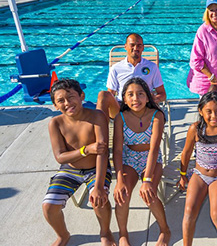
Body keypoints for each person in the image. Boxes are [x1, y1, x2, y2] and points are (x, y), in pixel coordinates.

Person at [42, 79, 115, 246]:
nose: (67, 103)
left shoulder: (97, 116)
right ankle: (63, 235)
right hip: (70, 169)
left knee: (99, 199)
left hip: (96, 168)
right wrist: (86, 150)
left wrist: (98, 187)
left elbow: (102, 153)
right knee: (49, 206)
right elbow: (60, 157)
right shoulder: (55, 123)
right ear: (54, 105)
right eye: (60, 100)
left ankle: (105, 231)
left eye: (71, 97)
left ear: (82, 96)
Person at [112, 78, 170, 246]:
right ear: (124, 97)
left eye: (140, 94)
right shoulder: (120, 118)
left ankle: (165, 230)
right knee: (122, 196)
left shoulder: (156, 115)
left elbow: (153, 149)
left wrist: (147, 180)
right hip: (129, 158)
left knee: (149, 193)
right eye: (130, 95)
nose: (135, 99)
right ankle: (123, 234)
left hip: (151, 159)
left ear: (148, 97)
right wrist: (120, 180)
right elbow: (117, 150)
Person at [177, 91, 217, 246]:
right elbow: (186, 153)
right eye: (208, 111)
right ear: (200, 111)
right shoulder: (195, 129)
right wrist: (183, 175)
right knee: (189, 212)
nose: (214, 116)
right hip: (199, 175)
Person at [97, 33, 166, 119]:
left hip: (144, 106)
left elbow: (162, 94)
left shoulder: (152, 67)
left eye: (139, 45)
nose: (136, 48)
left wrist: (153, 99)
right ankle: (100, 130)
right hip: (122, 107)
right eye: (132, 45)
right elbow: (110, 94)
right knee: (103, 95)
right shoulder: (116, 68)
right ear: (125, 47)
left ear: (143, 48)